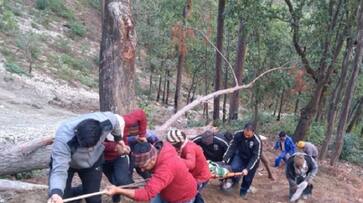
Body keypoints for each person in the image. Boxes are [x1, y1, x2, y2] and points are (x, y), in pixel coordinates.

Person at [47, 112, 127, 203]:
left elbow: (116, 121)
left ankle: (80, 191)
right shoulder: (63, 139)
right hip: (67, 164)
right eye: (85, 146)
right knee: (63, 198)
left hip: (93, 161)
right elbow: (59, 171)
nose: (89, 149)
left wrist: (118, 139)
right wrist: (56, 193)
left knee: (93, 199)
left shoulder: (107, 121)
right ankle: (73, 195)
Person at [104, 141, 197, 203]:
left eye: (144, 167)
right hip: (166, 191)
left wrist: (118, 190)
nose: (143, 170)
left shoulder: (166, 168)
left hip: (182, 197)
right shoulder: (158, 149)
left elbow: (147, 194)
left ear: (152, 160)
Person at [103, 109, 156, 202]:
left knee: (122, 180)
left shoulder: (123, 121)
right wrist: (114, 147)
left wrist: (142, 135)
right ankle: (117, 198)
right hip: (103, 158)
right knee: (114, 181)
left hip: (121, 156)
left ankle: (141, 194)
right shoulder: (98, 130)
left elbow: (141, 114)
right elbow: (95, 145)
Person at [222, 123, 262, 198]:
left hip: (252, 160)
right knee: (233, 168)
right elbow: (232, 147)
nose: (246, 136)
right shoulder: (238, 134)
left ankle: (243, 190)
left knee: (247, 178)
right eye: (245, 134)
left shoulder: (257, 141)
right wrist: (225, 159)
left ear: (253, 132)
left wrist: (247, 169)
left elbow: (255, 157)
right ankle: (233, 181)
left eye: (248, 135)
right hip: (240, 156)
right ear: (244, 130)